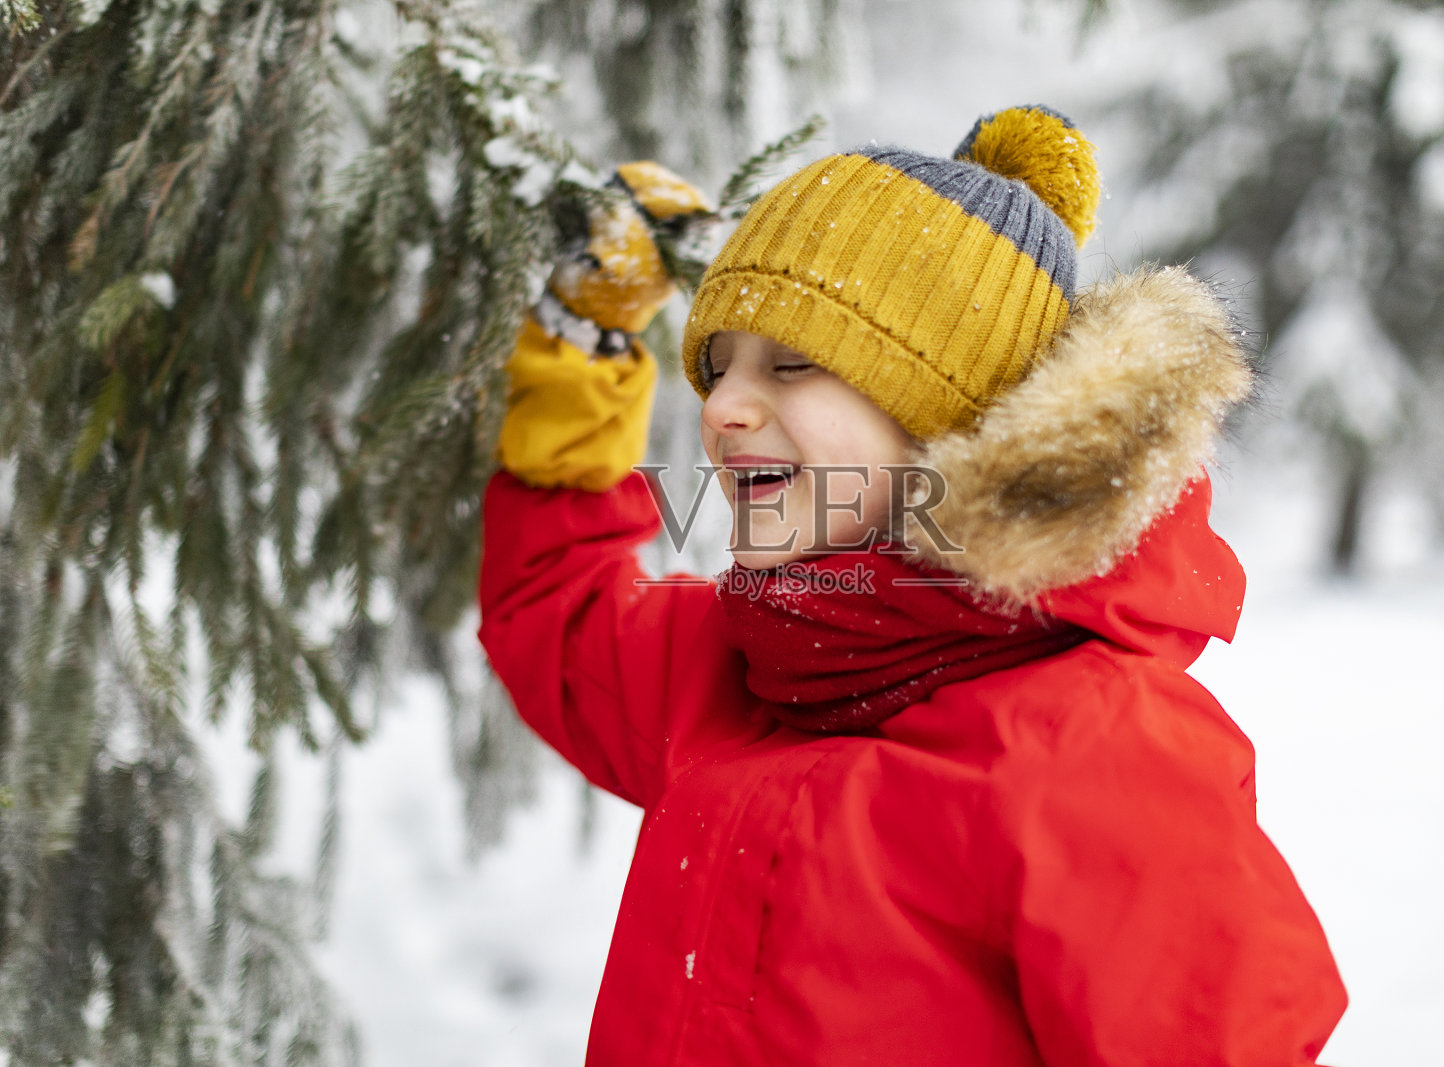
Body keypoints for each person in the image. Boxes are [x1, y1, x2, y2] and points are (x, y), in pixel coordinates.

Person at [480, 105, 1348, 1065]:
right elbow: (554, 612)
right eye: (717, 366)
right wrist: (582, 345)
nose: (721, 407)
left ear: (950, 423)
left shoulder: (1096, 748)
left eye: (792, 363)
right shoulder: (739, 671)